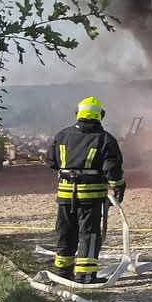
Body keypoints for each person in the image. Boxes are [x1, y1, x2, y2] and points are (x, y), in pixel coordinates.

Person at [47, 96, 126, 284]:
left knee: (66, 232)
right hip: (91, 198)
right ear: (101, 115)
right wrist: (118, 186)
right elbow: (112, 169)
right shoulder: (105, 139)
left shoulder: (62, 135)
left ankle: (62, 272)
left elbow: (50, 161)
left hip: (65, 196)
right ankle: (85, 275)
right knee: (89, 234)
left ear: (78, 114)